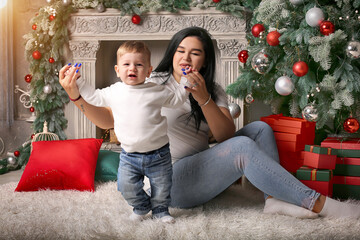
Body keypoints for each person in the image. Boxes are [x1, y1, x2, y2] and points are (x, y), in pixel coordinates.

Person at [60, 27, 360, 220]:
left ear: (204, 61)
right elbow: (109, 120)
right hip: (172, 179)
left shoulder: (211, 88)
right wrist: (78, 98)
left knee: (259, 129)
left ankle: (273, 200)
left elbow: (225, 135)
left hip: (204, 170)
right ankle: (317, 203)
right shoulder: (151, 82)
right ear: (172, 54)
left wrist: (203, 98)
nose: (186, 57)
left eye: (195, 52)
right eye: (180, 50)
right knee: (243, 146)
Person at [61, 41, 191, 223]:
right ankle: (141, 206)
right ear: (117, 69)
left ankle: (161, 210)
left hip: (159, 153)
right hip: (130, 155)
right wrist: (79, 80)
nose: (133, 68)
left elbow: (177, 99)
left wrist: (186, 81)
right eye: (127, 64)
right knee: (125, 186)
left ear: (148, 70)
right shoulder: (115, 91)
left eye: (139, 64)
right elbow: (93, 97)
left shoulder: (156, 91)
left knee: (162, 187)